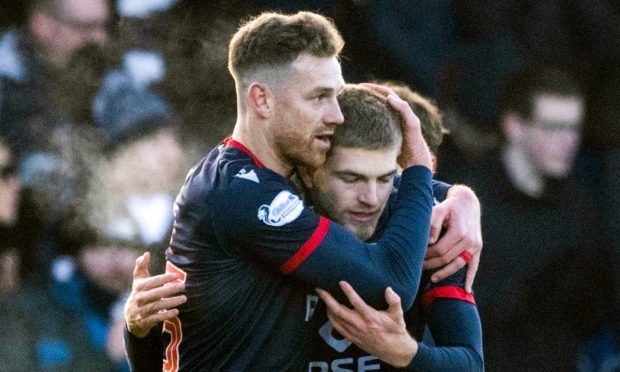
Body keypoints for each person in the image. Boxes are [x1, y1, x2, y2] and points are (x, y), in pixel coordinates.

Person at [121, 11, 482, 371]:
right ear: (261, 100)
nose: (336, 114)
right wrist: (138, 331)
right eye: (319, 97)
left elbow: (470, 364)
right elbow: (393, 284)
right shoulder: (244, 196)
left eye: (386, 178)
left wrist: (458, 197)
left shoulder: (427, 220)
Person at [302, 84, 482, 370]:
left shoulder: (436, 231)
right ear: (308, 171)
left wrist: (404, 352)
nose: (370, 199)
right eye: (351, 178)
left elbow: (471, 364)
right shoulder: (277, 212)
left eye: (385, 178)